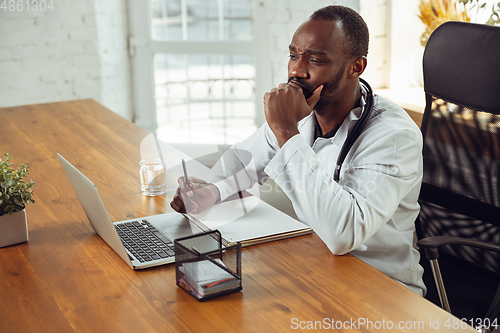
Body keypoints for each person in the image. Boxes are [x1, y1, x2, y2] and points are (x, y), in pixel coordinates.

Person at [170, 5, 426, 296]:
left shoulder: (392, 136)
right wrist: (211, 191)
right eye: (293, 55)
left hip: (380, 288)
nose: (296, 70)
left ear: (357, 66)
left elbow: (344, 233)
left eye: (315, 60)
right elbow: (242, 163)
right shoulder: (302, 114)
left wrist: (286, 131)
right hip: (313, 267)